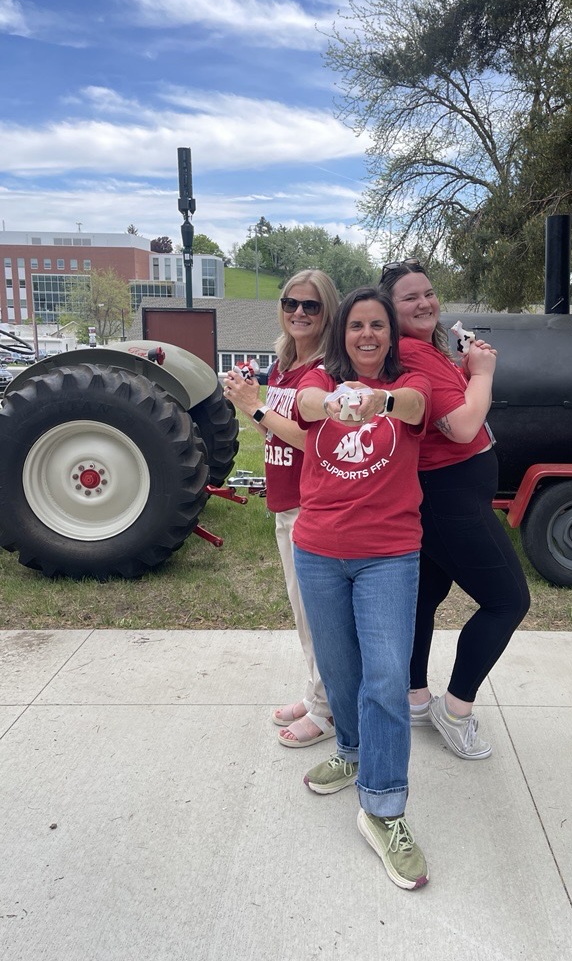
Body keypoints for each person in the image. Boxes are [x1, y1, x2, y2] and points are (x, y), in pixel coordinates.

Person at [292, 287, 431, 891]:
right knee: (341, 670)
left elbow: (417, 407)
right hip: (319, 548)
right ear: (343, 334)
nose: (367, 334)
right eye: (356, 326)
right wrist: (337, 402)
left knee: (384, 676)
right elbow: (309, 403)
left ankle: (383, 808)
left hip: (388, 555)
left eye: (378, 325)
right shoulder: (319, 379)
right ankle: (352, 750)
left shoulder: (409, 382)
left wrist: (381, 399)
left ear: (390, 334)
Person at [379, 259, 531, 761]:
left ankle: (413, 695)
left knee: (427, 592)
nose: (424, 303)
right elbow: (462, 427)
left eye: (429, 292)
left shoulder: (425, 348)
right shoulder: (410, 355)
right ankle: (455, 708)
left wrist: (465, 369)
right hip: (448, 499)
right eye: (409, 298)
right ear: (390, 308)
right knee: (508, 601)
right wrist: (483, 374)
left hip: (440, 495)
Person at [223, 269, 340, 747]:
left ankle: (327, 710)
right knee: (302, 611)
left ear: (327, 311)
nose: (298, 312)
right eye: (291, 303)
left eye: (311, 306)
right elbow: (275, 432)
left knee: (314, 615)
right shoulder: (288, 365)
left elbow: (316, 443)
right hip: (285, 501)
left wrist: (255, 407)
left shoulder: (324, 371)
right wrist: (248, 403)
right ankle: (318, 695)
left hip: (310, 505)